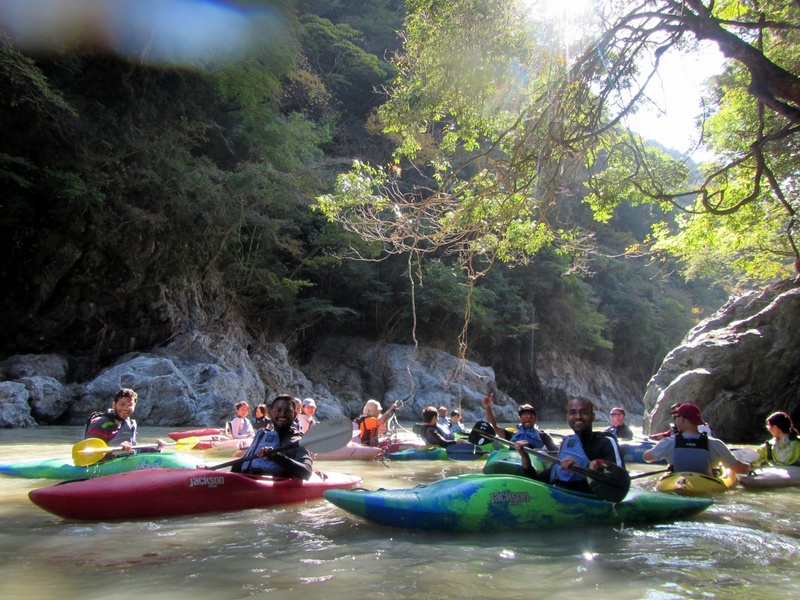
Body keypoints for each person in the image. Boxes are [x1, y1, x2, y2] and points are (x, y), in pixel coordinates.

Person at [519, 397, 625, 495]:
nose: (578, 417)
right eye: (572, 413)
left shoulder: (606, 442)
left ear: (592, 417)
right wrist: (524, 457)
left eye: (584, 412)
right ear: (567, 417)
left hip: (588, 504)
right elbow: (536, 481)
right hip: (561, 502)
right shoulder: (567, 444)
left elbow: (619, 484)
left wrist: (581, 469)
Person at [642, 403, 751, 475]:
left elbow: (646, 457)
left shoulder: (668, 443)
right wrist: (750, 466)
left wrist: (660, 451)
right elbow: (739, 468)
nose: (675, 420)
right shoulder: (715, 444)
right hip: (706, 487)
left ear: (682, 420)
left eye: (676, 417)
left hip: (678, 485)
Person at [233, 394, 313, 479]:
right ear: (271, 413)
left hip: (279, 488)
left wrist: (276, 456)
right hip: (249, 484)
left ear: (295, 414)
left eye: (288, 411)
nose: (282, 414)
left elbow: (306, 472)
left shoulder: (299, 442)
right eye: (278, 410)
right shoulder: (261, 435)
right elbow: (239, 465)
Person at [83, 388, 165, 459]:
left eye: (130, 405)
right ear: (114, 404)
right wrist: (115, 451)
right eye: (122, 404)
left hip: (125, 467)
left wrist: (156, 448)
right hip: (105, 469)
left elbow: (135, 450)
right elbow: (88, 454)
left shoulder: (130, 424)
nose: (126, 408)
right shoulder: (100, 424)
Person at [482, 393, 558, 451]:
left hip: (531, 462)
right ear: (520, 420)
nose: (526, 419)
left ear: (535, 419)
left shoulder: (543, 436)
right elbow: (493, 427)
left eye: (529, 416)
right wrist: (488, 407)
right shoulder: (512, 434)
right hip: (514, 459)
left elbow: (555, 453)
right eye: (523, 417)